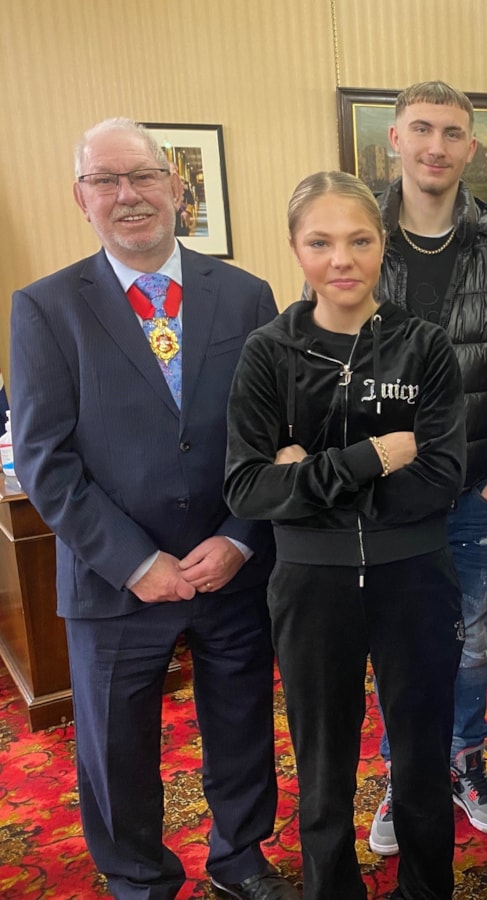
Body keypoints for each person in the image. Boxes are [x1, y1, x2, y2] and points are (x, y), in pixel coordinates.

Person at [8, 118, 294, 900]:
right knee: (115, 750)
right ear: (81, 199)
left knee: (240, 731)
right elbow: (43, 458)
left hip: (229, 568)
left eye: (142, 176)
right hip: (114, 581)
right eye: (106, 181)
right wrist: (135, 561)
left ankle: (240, 860)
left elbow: (275, 433)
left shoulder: (242, 294)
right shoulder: (45, 308)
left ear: (176, 186)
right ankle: (138, 879)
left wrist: (240, 537)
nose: (128, 195)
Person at [223, 171, 467, 900]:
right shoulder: (269, 351)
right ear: (296, 250)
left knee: (423, 755)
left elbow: (442, 478)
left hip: (415, 576)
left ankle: (427, 889)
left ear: (382, 245)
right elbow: (247, 486)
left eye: (360, 240)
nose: (342, 259)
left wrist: (306, 474)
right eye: (320, 242)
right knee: (322, 763)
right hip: (311, 584)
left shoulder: (424, 347)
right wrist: (373, 457)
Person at [370, 79, 487, 843]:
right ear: (395, 141)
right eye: (421, 129)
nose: (435, 146)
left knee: (472, 636)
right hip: (383, 488)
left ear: (471, 147)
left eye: (451, 133)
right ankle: (402, 774)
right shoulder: (359, 232)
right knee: (395, 635)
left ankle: (467, 759)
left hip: (475, 485)